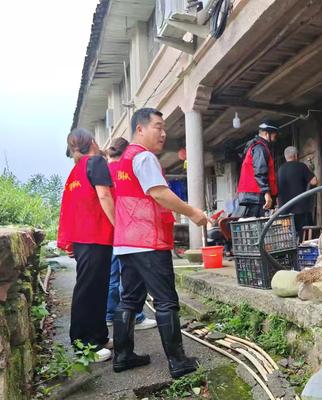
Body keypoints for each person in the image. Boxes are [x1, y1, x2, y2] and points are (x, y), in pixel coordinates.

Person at [112, 107, 209, 377]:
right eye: (158, 126)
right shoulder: (143, 157)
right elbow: (159, 194)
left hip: (127, 242)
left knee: (129, 299)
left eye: (164, 127)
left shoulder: (124, 159)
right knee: (166, 301)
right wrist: (193, 213)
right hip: (148, 241)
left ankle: (122, 355)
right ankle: (178, 362)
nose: (163, 133)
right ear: (140, 129)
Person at [57, 128, 115, 362]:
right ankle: (83, 344)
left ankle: (98, 335)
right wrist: (119, 226)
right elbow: (104, 196)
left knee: (96, 287)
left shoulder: (75, 171)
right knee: (89, 289)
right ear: (92, 142)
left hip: (83, 238)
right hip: (95, 235)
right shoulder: (96, 162)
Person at [105, 138, 156, 330]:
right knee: (130, 278)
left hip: (109, 230)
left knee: (112, 276)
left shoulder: (105, 170)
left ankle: (110, 314)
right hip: (127, 230)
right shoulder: (126, 168)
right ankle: (137, 317)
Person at [236, 121, 279, 217]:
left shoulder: (254, 146)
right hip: (255, 195)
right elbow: (260, 171)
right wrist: (267, 193)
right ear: (266, 134)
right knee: (258, 227)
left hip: (251, 195)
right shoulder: (260, 148)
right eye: (274, 136)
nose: (275, 139)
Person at [277, 146, 318, 239]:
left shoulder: (280, 169)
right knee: (304, 236)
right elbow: (314, 181)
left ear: (286, 157)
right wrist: (310, 171)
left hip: (284, 210)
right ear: (295, 155)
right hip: (300, 209)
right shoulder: (301, 166)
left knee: (287, 237)